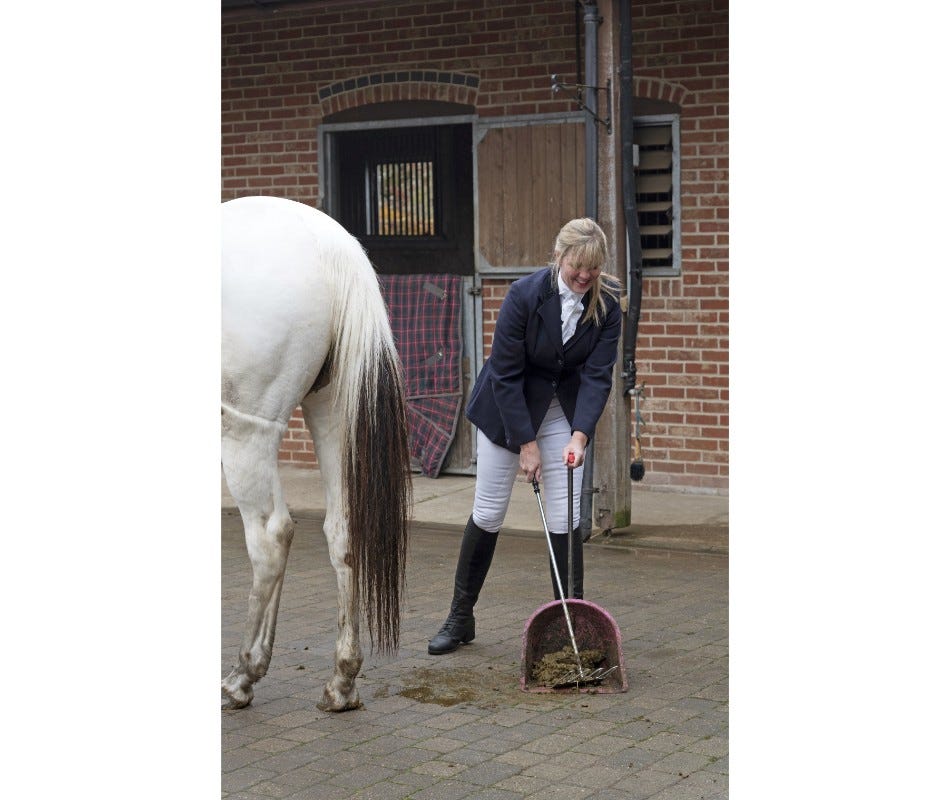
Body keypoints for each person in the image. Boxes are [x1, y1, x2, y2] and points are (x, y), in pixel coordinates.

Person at [428, 217, 622, 656]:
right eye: (577, 265)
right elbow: (505, 371)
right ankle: (460, 617)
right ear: (559, 255)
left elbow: (597, 376)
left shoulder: (607, 303)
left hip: (560, 411)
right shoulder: (524, 295)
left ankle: (568, 624)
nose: (585, 276)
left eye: (593, 267)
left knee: (565, 514)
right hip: (507, 406)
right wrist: (525, 444)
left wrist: (580, 436)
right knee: (489, 510)